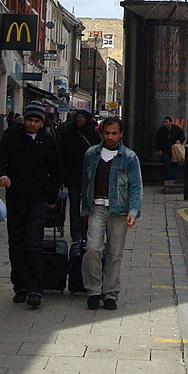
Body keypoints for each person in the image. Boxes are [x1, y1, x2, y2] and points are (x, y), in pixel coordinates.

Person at [0, 102, 62, 309]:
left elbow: (56, 171)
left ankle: (35, 288)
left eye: (36, 121)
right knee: (16, 243)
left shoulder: (48, 142)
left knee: (33, 243)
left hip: (38, 199)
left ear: (42, 123)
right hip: (16, 198)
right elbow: (0, 161)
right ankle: (19, 286)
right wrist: (2, 175)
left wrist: (52, 198)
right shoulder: (11, 138)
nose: (32, 124)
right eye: (30, 120)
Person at [80, 116, 143, 311]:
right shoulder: (91, 154)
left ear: (121, 134)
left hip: (120, 210)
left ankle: (110, 293)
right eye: (107, 133)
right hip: (97, 208)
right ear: (102, 133)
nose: (110, 137)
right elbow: (85, 182)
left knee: (115, 253)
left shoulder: (130, 157)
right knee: (92, 249)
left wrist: (134, 211)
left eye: (114, 133)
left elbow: (135, 186)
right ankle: (93, 290)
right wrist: (84, 209)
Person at [59, 109, 100, 239]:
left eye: (82, 117)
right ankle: (76, 232)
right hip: (73, 175)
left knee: (88, 204)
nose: (79, 120)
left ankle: (86, 230)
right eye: (78, 117)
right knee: (74, 204)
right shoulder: (68, 133)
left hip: (89, 175)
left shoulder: (92, 134)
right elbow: (62, 152)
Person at [153, 116, 186, 182]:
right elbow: (158, 140)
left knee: (175, 165)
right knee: (167, 166)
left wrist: (179, 140)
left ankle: (174, 179)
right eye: (164, 122)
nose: (165, 124)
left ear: (170, 122)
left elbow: (182, 136)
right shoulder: (161, 130)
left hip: (174, 150)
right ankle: (168, 179)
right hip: (166, 151)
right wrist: (159, 149)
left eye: (167, 122)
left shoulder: (176, 129)